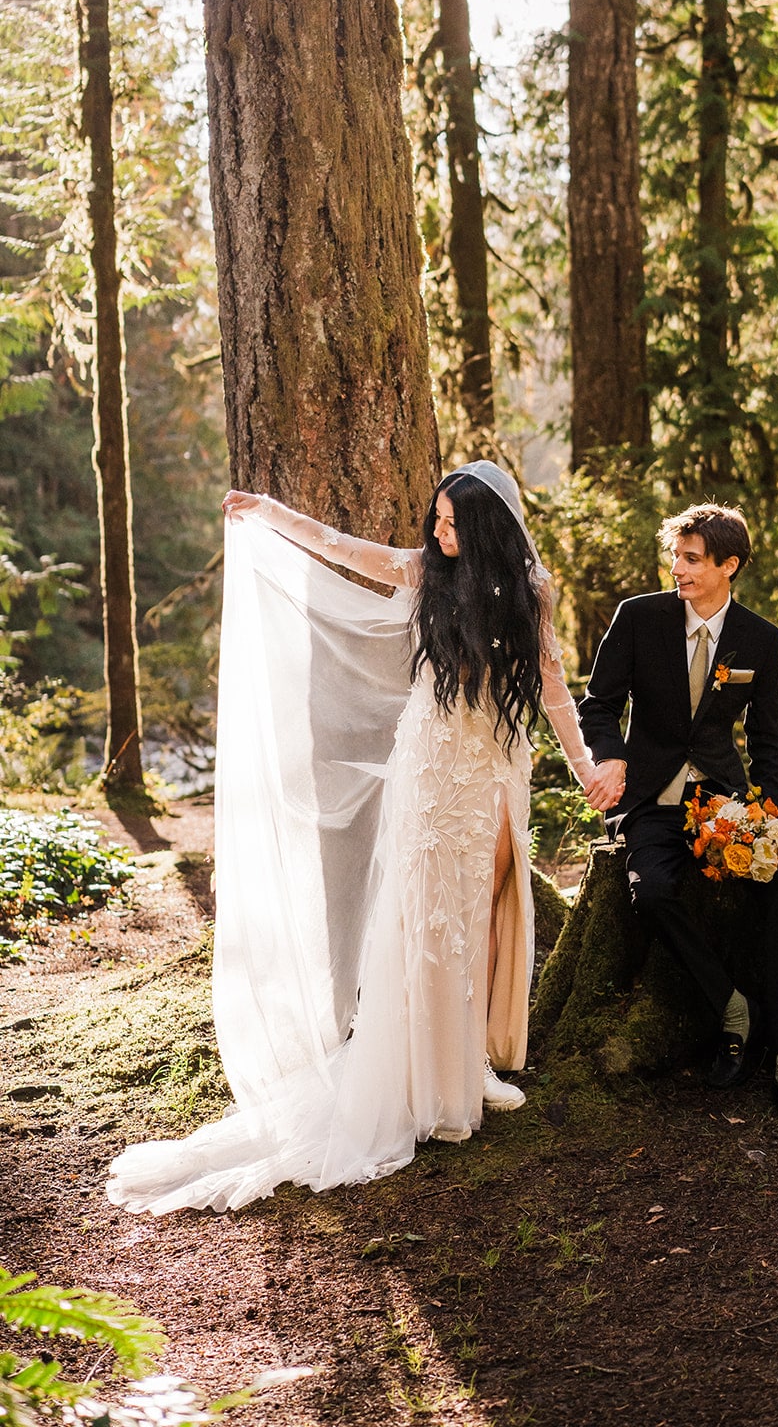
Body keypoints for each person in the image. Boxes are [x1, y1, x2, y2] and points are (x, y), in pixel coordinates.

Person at [107, 461, 596, 1214]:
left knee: (485, 908)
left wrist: (586, 765)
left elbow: (553, 684)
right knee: (430, 917)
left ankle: (470, 1058)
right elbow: (339, 547)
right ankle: (429, 1076)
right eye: (434, 520)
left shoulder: (529, 595)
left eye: (450, 523)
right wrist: (270, 511)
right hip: (431, 769)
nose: (437, 533)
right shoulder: (420, 574)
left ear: (488, 528)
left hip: (497, 768)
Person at [579, 501, 778, 1125]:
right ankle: (732, 1008)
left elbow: (769, 741)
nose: (679, 569)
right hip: (650, 801)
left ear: (728, 566)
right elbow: (598, 705)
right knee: (653, 891)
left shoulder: (759, 639)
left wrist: (770, 819)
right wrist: (610, 760)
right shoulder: (638, 618)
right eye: (676, 557)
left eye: (692, 559)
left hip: (720, 800)